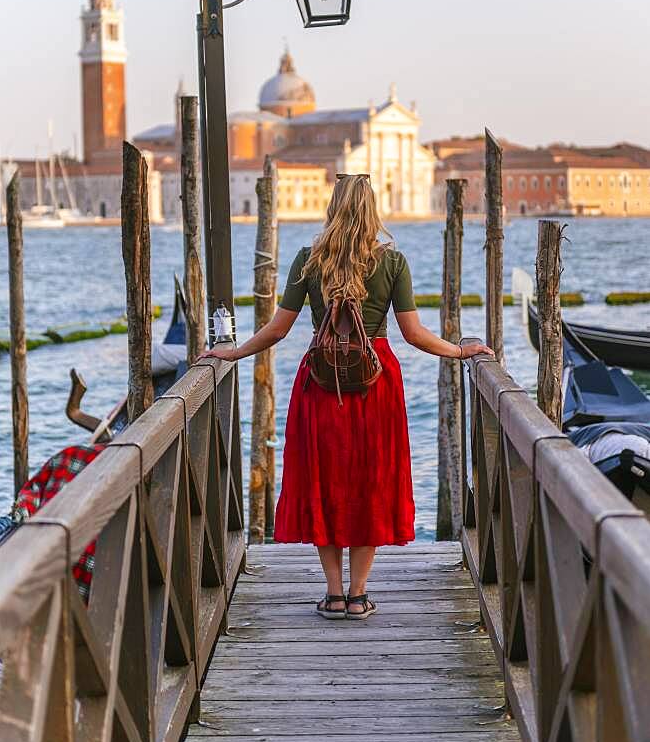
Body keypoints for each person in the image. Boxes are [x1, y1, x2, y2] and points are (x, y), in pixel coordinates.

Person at [199, 174, 494, 620]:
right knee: (371, 483)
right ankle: (359, 595)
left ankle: (333, 594)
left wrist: (233, 352)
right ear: (371, 209)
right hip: (376, 383)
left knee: (326, 483)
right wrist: (459, 350)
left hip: (321, 385)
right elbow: (413, 335)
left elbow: (277, 330)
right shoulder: (391, 262)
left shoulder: (308, 259)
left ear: (333, 206)